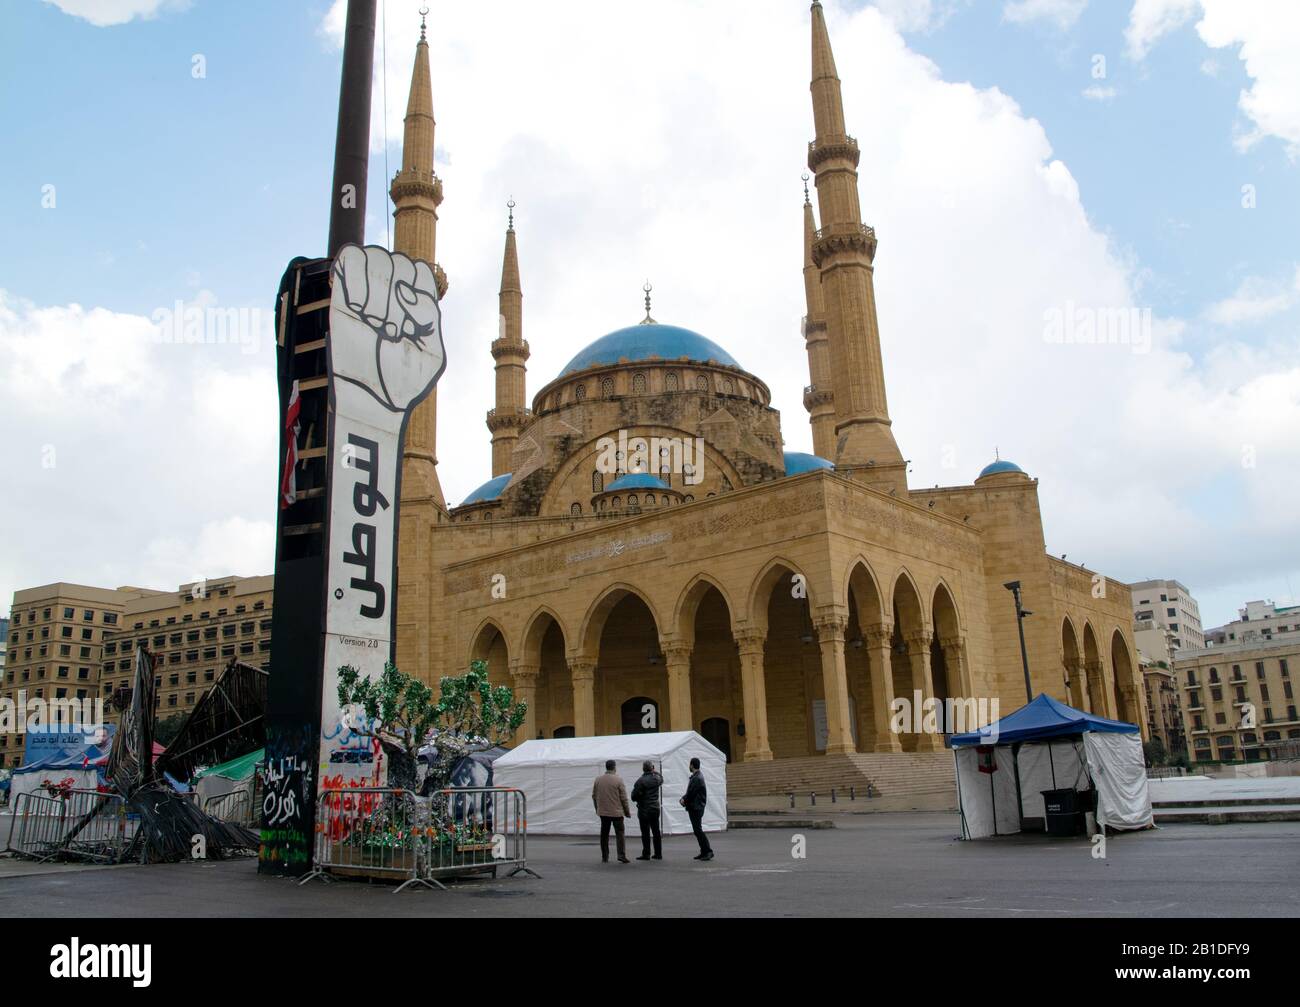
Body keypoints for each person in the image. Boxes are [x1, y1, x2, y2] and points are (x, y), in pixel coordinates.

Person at [592, 759, 632, 863]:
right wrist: (627, 812)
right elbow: (623, 798)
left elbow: (594, 796)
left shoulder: (598, 779)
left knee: (604, 834)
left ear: (606, 767)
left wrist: (597, 809)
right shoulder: (618, 780)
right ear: (614, 767)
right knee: (620, 834)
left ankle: (605, 856)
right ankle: (621, 855)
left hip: (603, 812)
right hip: (617, 812)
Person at [679, 756, 713, 861]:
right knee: (697, 830)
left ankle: (708, 851)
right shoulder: (697, 776)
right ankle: (703, 851)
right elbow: (691, 792)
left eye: (690, 764)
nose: (689, 766)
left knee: (698, 830)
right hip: (696, 806)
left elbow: (691, 793)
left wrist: (684, 800)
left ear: (692, 765)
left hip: (696, 807)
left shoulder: (697, 778)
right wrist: (684, 798)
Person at [631, 760, 663, 861]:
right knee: (656, 831)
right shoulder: (656, 778)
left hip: (644, 809)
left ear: (643, 769)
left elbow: (633, 796)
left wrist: (640, 795)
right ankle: (658, 853)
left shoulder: (640, 781)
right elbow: (662, 778)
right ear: (652, 768)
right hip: (655, 808)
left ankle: (646, 853)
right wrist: (655, 771)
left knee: (645, 832)